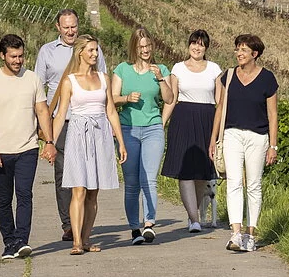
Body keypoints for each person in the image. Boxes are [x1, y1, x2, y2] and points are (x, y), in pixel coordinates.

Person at [0, 34, 56, 260]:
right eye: (13, 56)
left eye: (21, 56)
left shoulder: (32, 79)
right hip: (1, 150)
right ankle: (9, 241)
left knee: (24, 194)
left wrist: (49, 142)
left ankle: (22, 240)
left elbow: (42, 111)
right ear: (2, 55)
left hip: (27, 148)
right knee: (4, 199)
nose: (18, 61)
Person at [35, 8, 107, 245]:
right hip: (61, 120)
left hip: (90, 120)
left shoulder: (92, 49)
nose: (70, 31)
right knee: (65, 173)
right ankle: (68, 224)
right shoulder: (47, 51)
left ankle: (82, 226)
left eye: (73, 26)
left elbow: (103, 81)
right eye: (65, 27)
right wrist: (43, 128)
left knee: (89, 177)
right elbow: (39, 89)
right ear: (58, 27)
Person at [51, 35, 125, 253]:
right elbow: (60, 113)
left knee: (93, 191)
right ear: (80, 52)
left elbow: (110, 110)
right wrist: (50, 143)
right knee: (79, 189)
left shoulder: (104, 78)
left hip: (100, 134)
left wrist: (120, 142)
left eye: (96, 51)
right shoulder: (69, 81)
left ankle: (85, 238)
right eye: (91, 50)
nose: (94, 54)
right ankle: (75, 241)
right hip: (77, 134)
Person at [211, 34, 280, 253]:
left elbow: (273, 114)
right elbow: (220, 108)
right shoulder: (228, 76)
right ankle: (235, 233)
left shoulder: (267, 79)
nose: (239, 54)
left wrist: (273, 146)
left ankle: (250, 234)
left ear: (255, 54)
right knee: (233, 182)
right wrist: (213, 139)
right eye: (237, 50)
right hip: (232, 134)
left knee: (254, 185)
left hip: (258, 137)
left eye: (243, 50)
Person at [111, 28, 171, 245]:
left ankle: (149, 224)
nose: (146, 50)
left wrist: (161, 79)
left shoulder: (161, 69)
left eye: (148, 46)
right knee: (132, 183)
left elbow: (170, 98)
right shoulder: (122, 70)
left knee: (149, 179)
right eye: (141, 47)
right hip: (128, 129)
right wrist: (126, 98)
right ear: (134, 48)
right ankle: (134, 228)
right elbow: (112, 99)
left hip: (153, 129)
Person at [161, 29, 222, 232]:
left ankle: (193, 213)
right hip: (183, 118)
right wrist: (161, 124)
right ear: (189, 45)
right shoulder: (178, 68)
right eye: (194, 43)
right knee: (185, 172)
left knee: (202, 173)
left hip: (206, 119)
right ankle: (194, 219)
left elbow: (220, 102)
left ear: (206, 48)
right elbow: (172, 98)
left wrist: (220, 130)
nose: (197, 48)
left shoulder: (214, 69)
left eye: (201, 44)